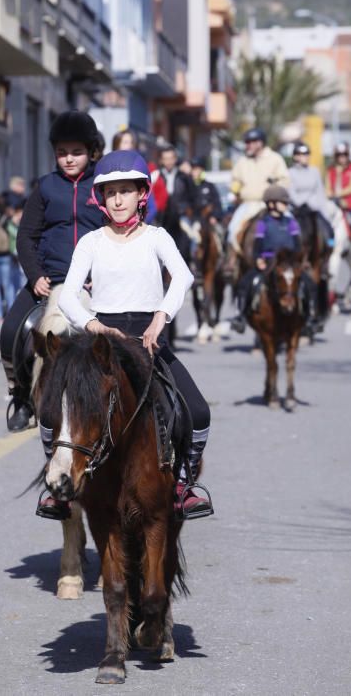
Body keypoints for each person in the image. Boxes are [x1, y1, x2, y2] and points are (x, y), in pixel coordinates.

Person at [53, 149, 212, 519]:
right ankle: (58, 483)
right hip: (102, 345)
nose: (119, 199)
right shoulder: (90, 242)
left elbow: (183, 277)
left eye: (126, 190)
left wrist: (160, 317)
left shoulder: (157, 237)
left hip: (149, 341)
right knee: (54, 409)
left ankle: (183, 484)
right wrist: (92, 324)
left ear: (142, 195)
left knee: (198, 412)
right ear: (101, 199)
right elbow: (69, 295)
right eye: (111, 192)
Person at [0, 110, 104, 432]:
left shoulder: (103, 186)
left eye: (76, 152)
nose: (69, 159)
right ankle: (20, 396)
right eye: (62, 152)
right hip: (49, 280)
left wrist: (100, 275)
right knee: (10, 333)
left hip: (93, 284)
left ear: (91, 151)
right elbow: (27, 237)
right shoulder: (44, 188)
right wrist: (35, 275)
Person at [230, 185, 316, 334]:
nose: (286, 205)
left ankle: (310, 318)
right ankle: (241, 316)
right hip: (269, 261)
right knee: (245, 283)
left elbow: (297, 245)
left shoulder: (291, 222)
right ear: (272, 203)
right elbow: (257, 246)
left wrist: (299, 261)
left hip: (288, 263)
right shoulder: (263, 223)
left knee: (309, 284)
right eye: (283, 202)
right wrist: (258, 259)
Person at [227, 128, 289, 256]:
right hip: (248, 205)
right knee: (232, 230)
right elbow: (236, 180)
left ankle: (294, 261)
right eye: (247, 142)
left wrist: (274, 191)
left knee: (291, 225)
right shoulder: (243, 161)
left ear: (260, 143)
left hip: (271, 204)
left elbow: (285, 180)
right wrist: (234, 190)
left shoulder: (275, 158)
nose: (248, 145)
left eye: (251, 142)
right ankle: (231, 263)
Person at [288, 141, 334, 246]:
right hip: (298, 210)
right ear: (295, 156)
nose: (305, 157)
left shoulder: (314, 171)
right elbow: (292, 193)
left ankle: (330, 246)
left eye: (306, 154)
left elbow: (320, 192)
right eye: (301, 154)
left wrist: (322, 208)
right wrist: (303, 201)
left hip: (314, 208)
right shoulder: (290, 172)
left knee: (327, 228)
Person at [112, 128, 159, 224]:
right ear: (116, 145)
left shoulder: (139, 167)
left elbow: (151, 205)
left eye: (131, 143)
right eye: (125, 142)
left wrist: (140, 224)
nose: (129, 146)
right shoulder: (108, 169)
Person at [157, 145, 195, 262]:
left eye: (171, 158)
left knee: (190, 240)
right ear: (162, 160)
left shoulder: (183, 177)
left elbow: (192, 196)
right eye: (165, 158)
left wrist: (187, 209)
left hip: (181, 216)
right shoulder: (157, 176)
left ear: (175, 159)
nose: (168, 162)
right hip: (162, 218)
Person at [325, 142, 351, 242]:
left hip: (350, 203)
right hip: (334, 202)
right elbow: (328, 187)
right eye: (339, 155)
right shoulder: (330, 170)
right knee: (327, 224)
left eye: (344, 155)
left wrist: (338, 194)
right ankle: (330, 244)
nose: (342, 158)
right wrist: (337, 174)